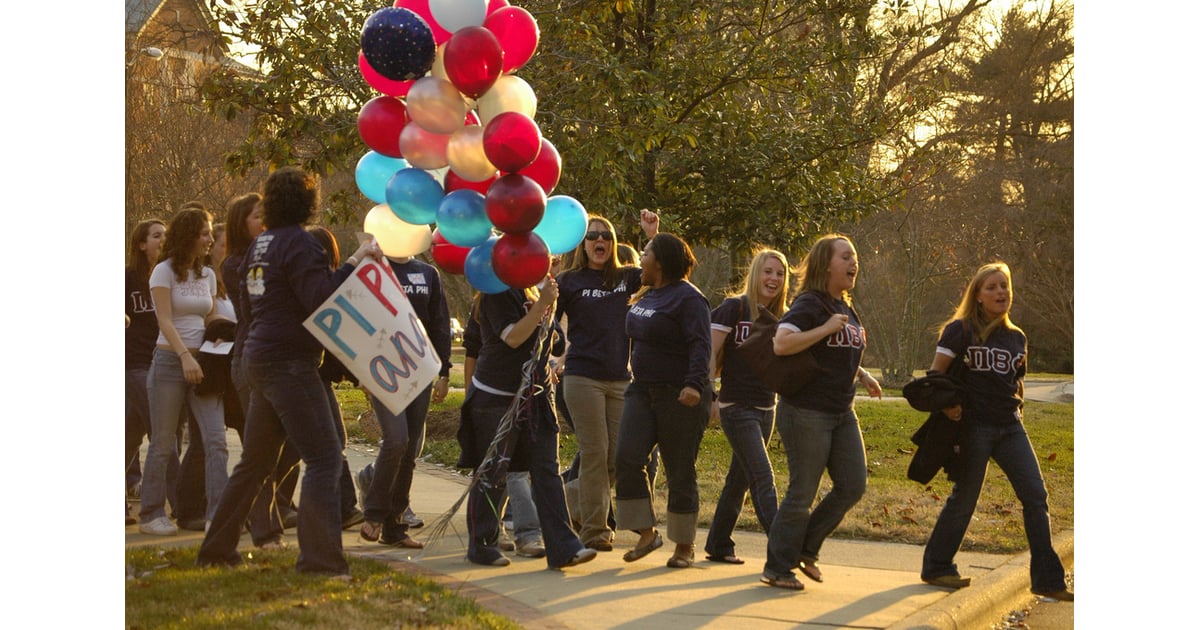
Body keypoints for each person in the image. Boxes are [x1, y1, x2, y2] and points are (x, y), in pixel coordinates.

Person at [197, 166, 381, 576]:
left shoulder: (261, 244)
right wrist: (354, 262)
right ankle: (319, 560)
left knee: (256, 462)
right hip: (289, 363)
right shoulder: (299, 243)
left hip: (258, 357)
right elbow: (320, 297)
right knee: (324, 457)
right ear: (307, 202)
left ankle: (216, 549)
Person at [920, 262, 1072, 601]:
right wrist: (947, 406)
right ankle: (937, 565)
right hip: (974, 427)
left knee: (1036, 496)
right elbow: (935, 378)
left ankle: (1048, 581)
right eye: (992, 287)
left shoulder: (1017, 337)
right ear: (977, 295)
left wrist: (1018, 407)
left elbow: (1016, 381)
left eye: (1004, 286)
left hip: (1010, 428)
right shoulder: (958, 331)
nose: (1000, 292)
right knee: (965, 498)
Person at [759, 234, 882, 590]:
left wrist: (862, 374)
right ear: (826, 264)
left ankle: (805, 548)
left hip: (842, 410)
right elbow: (782, 342)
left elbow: (833, 349)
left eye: (855, 256)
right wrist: (826, 327)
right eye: (846, 256)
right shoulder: (811, 303)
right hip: (807, 412)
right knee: (802, 492)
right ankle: (778, 566)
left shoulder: (844, 305)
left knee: (852, 484)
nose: (853, 262)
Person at [456, 275, 597, 570]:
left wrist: (548, 305)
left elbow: (556, 344)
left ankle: (564, 546)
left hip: (536, 397)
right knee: (494, 473)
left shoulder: (533, 289)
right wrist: (540, 307)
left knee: (547, 471)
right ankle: (482, 544)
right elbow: (513, 338)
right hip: (497, 398)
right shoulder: (495, 291)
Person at [555, 211, 658, 551]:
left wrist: (652, 235)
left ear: (613, 244)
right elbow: (550, 323)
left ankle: (563, 497)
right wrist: (554, 354)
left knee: (619, 456)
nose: (599, 241)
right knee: (595, 452)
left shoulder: (627, 278)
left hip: (620, 379)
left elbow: (660, 271)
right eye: (592, 236)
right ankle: (595, 531)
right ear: (582, 244)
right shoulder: (570, 281)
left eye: (605, 236)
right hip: (582, 377)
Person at [614, 232, 712, 569]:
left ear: (661, 262)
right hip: (642, 390)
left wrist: (694, 385)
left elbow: (701, 345)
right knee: (627, 456)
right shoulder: (648, 293)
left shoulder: (689, 299)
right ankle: (645, 531)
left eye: (646, 252)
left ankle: (684, 545)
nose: (640, 258)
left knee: (679, 468)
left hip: (679, 393)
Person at [139, 207, 231, 536]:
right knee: (164, 443)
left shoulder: (206, 274)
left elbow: (208, 318)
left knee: (216, 441)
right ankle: (151, 513)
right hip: (168, 362)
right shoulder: (163, 271)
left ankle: (217, 513)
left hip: (202, 364)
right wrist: (183, 356)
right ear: (189, 234)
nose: (210, 239)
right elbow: (164, 320)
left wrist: (221, 338)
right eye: (205, 233)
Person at [356, 244, 452, 549]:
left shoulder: (428, 274)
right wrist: (361, 371)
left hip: (421, 369)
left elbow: (439, 323)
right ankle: (374, 513)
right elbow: (360, 321)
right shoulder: (374, 269)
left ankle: (394, 527)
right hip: (383, 370)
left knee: (409, 451)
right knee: (395, 440)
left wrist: (445, 371)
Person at [703, 248, 789, 565]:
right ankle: (784, 551)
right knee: (763, 477)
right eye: (768, 271)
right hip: (736, 406)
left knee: (739, 478)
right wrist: (710, 395)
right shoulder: (733, 307)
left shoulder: (785, 316)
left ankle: (719, 542)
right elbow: (709, 353)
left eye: (780, 274)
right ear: (755, 274)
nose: (774, 279)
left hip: (768, 407)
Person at [305, 226, 366, 532]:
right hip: (308, 373)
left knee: (333, 441)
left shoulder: (325, 283)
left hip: (317, 373)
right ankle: (336, 509)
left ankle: (342, 507)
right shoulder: (321, 286)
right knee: (328, 445)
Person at [126, 219, 177, 524]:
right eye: (156, 235)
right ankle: (184, 502)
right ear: (142, 244)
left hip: (161, 360)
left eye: (165, 235)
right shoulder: (127, 278)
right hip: (133, 364)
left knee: (131, 435)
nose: (162, 239)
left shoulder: (171, 276)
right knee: (163, 432)